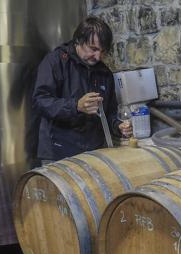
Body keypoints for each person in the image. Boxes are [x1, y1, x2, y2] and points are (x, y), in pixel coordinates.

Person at [32, 17, 132, 162]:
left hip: (95, 153)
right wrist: (76, 106)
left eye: (103, 51)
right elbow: (40, 102)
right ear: (79, 40)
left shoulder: (104, 73)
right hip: (59, 153)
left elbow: (109, 113)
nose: (98, 56)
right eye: (93, 49)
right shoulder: (56, 62)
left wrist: (119, 126)